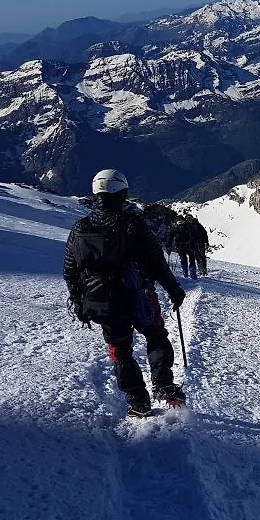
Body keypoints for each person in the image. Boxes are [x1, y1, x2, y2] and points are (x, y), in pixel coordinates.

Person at [63, 169, 187, 417]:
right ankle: (163, 386)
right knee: (156, 336)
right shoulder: (132, 225)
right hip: (137, 297)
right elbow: (156, 263)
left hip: (102, 303)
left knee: (120, 350)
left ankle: (137, 401)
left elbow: (70, 270)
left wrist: (78, 301)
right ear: (121, 192)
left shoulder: (80, 229)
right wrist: (174, 290)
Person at [167, 215, 197, 280]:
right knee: (192, 259)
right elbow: (194, 235)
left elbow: (170, 237)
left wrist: (168, 246)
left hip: (180, 246)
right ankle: (193, 275)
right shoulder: (188, 225)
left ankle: (185, 274)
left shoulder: (174, 227)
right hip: (190, 245)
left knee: (183, 259)